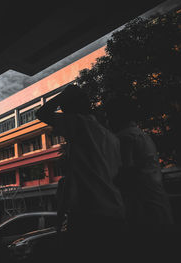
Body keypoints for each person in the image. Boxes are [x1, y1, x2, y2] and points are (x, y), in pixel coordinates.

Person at [36, 84, 126, 261]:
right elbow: (117, 175)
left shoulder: (79, 123)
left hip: (91, 213)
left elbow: (42, 113)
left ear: (71, 109)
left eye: (64, 108)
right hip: (116, 211)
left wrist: (64, 94)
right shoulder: (111, 138)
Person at [105, 97, 173, 227]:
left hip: (143, 208)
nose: (107, 121)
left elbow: (127, 173)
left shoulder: (124, 138)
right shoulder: (141, 134)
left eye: (109, 115)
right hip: (157, 201)